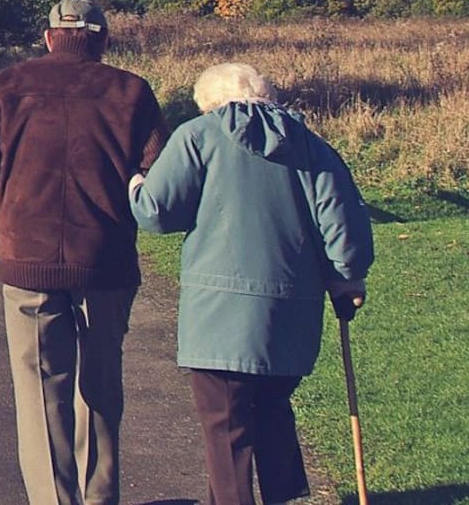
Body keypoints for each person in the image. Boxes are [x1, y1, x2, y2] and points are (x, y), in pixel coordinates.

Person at [128, 62, 374, 505]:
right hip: (291, 311)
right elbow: (343, 223)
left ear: (210, 103)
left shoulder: (198, 135)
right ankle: (283, 497)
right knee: (272, 409)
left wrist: (136, 183)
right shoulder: (310, 144)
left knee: (226, 426)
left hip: (218, 314)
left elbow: (156, 212)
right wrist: (347, 277)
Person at [0, 0, 170, 505]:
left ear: (49, 37)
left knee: (39, 390)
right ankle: (99, 498)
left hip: (27, 258)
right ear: (103, 39)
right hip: (105, 260)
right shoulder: (131, 91)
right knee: (101, 387)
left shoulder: (11, 84)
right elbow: (159, 176)